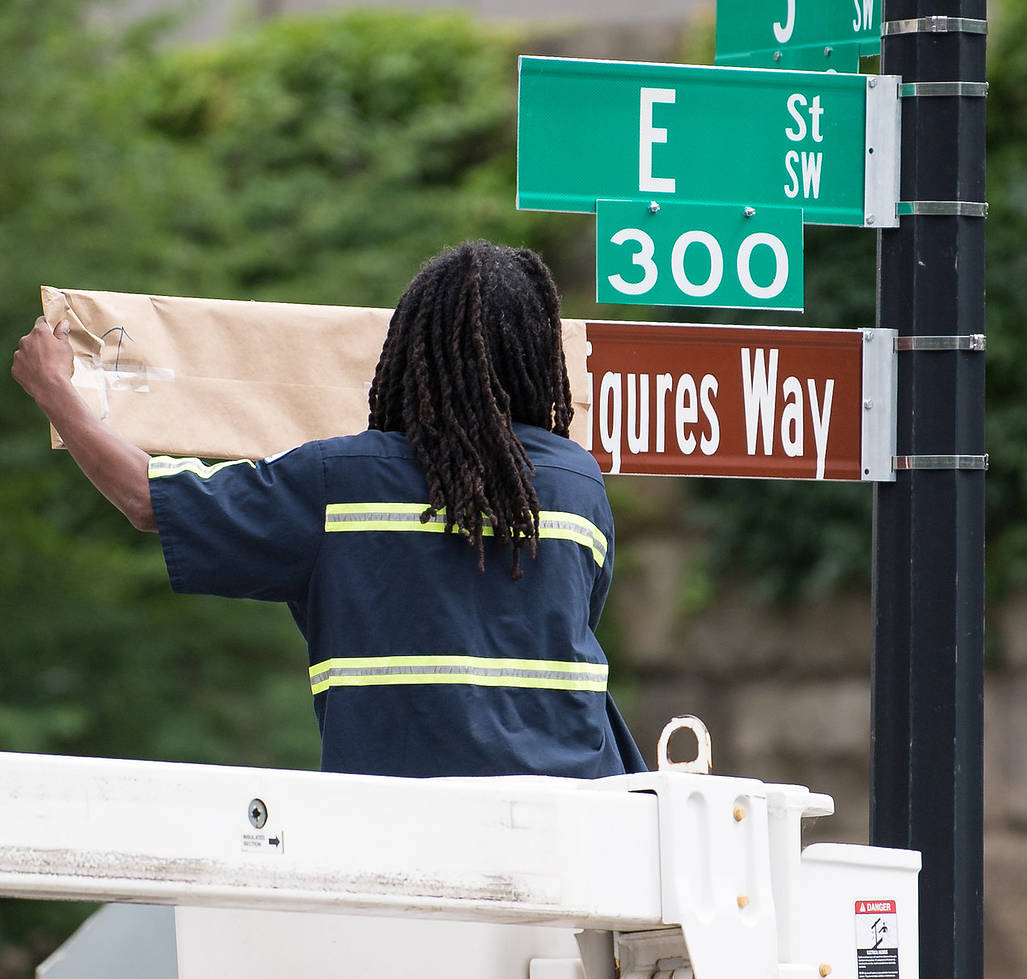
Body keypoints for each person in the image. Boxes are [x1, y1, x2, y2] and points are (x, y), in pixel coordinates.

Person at [13, 240, 645, 780]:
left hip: (390, 830)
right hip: (575, 826)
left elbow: (147, 498)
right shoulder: (576, 484)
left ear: (409, 347)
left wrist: (55, 392)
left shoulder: (336, 483)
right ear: (539, 354)